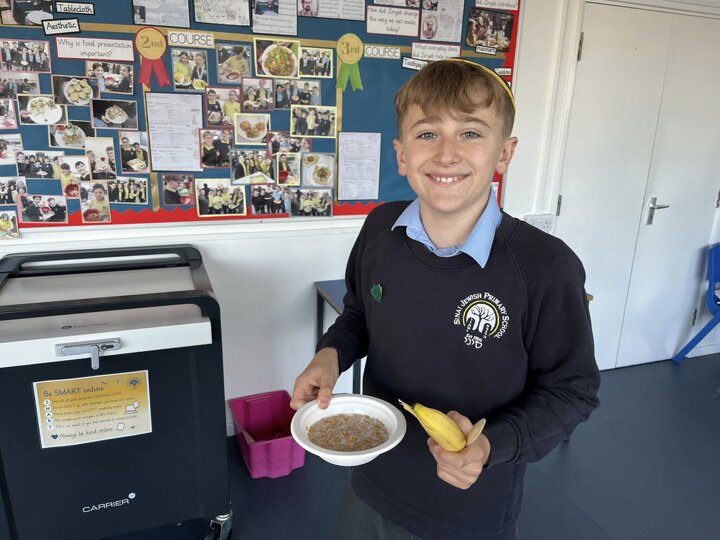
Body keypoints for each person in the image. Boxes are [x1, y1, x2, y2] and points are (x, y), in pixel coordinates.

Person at [290, 58, 600, 540]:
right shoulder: (380, 228)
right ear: (401, 154)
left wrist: (492, 445)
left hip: (468, 511)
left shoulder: (546, 266)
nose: (446, 154)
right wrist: (331, 354)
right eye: (427, 133)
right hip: (371, 482)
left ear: (505, 153)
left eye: (470, 133)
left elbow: (572, 390)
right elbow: (359, 313)